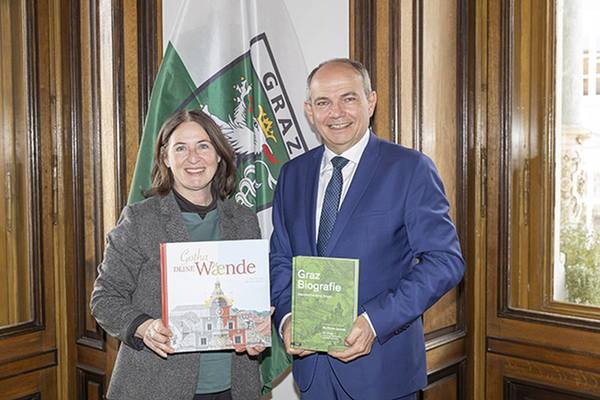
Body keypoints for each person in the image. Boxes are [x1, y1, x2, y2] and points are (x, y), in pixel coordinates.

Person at [269, 58, 465, 399]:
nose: (336, 113)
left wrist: (375, 321)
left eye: (348, 98)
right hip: (313, 374)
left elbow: (445, 261)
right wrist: (287, 319)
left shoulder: (410, 168)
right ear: (309, 111)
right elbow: (281, 258)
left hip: (382, 372)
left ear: (370, 102)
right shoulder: (292, 174)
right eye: (323, 102)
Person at [91, 109, 265, 400]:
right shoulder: (140, 220)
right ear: (165, 158)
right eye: (181, 148)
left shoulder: (244, 220)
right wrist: (144, 327)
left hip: (235, 387)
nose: (193, 158)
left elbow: (249, 298)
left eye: (203, 146)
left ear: (219, 155)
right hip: (155, 386)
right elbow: (104, 299)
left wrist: (257, 325)